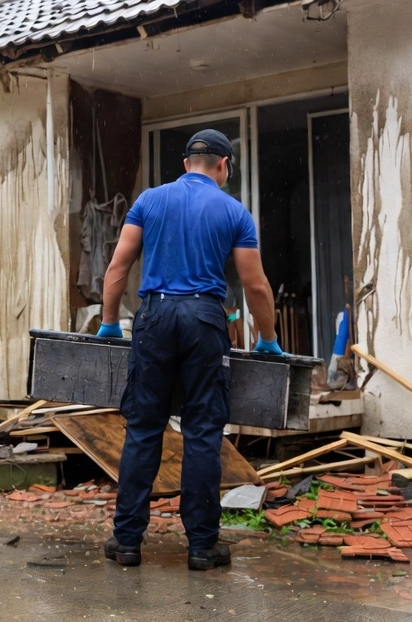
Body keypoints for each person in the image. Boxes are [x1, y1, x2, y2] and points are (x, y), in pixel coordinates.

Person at [97, 129, 282, 572]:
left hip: (155, 317)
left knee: (144, 427)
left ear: (186, 164)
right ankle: (202, 546)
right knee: (202, 431)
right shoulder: (234, 211)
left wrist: (107, 323)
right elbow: (254, 284)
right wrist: (267, 337)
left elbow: (118, 267)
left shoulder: (149, 200)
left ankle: (127, 542)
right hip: (204, 319)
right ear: (223, 166)